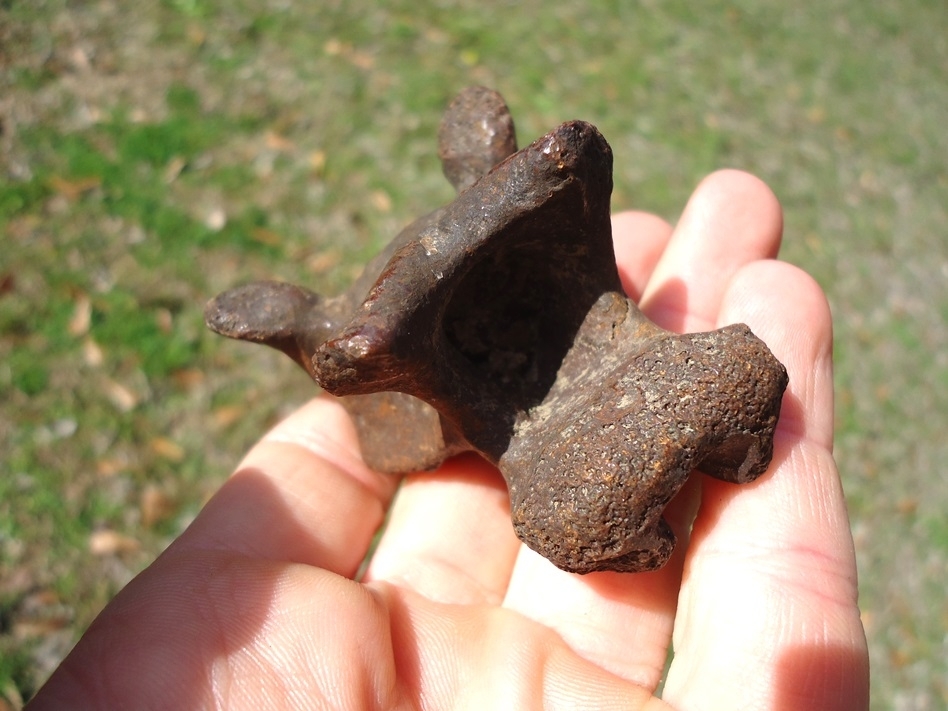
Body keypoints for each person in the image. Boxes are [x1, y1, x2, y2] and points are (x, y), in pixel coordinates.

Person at [26, 170, 870, 710]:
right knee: (601, 485)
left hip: (636, 405)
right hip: (615, 423)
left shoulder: (632, 416)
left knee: (607, 480)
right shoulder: (589, 455)